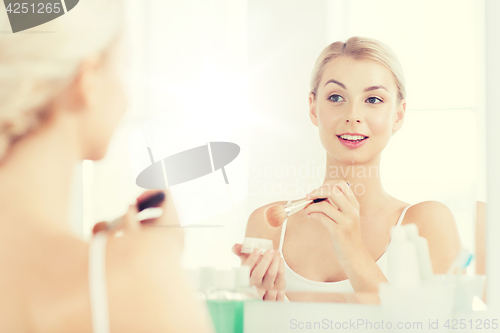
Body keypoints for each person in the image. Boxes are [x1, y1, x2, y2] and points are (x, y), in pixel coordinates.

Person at [0, 1, 214, 332]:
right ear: (89, 80)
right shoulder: (134, 279)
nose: (126, 96)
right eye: (122, 66)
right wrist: (154, 260)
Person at [232, 36, 462, 301]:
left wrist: (352, 248)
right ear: (313, 108)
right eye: (336, 97)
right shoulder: (270, 225)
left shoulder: (425, 224)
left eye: (373, 99)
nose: (353, 114)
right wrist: (263, 310)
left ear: (398, 115)